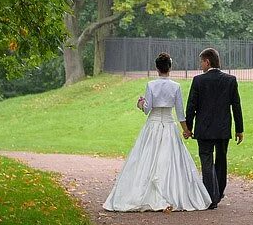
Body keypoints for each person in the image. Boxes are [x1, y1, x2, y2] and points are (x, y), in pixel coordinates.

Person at [103, 53, 211, 212]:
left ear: (157, 68)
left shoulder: (151, 85)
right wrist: (186, 130)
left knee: (146, 158)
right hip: (168, 125)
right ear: (170, 67)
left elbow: (147, 109)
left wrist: (140, 103)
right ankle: (171, 194)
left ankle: (143, 195)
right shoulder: (175, 86)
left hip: (152, 126)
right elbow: (180, 113)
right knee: (170, 160)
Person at [184, 47, 244, 210]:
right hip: (223, 128)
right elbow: (236, 106)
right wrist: (239, 129)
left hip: (204, 129)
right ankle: (219, 192)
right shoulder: (230, 80)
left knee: (206, 161)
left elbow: (191, 106)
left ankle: (211, 196)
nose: (200, 66)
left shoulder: (198, 81)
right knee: (221, 159)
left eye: (201, 62)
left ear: (207, 61)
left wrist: (188, 127)